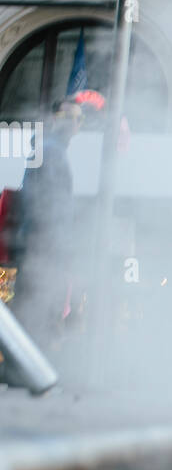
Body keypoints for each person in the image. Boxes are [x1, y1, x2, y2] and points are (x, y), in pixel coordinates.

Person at [12, 99, 84, 350]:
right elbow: (48, 205)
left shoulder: (48, 149)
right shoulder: (51, 150)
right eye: (73, 118)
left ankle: (27, 363)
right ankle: (31, 365)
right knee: (39, 304)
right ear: (58, 120)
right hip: (45, 244)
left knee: (35, 304)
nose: (76, 124)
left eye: (78, 119)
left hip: (40, 243)